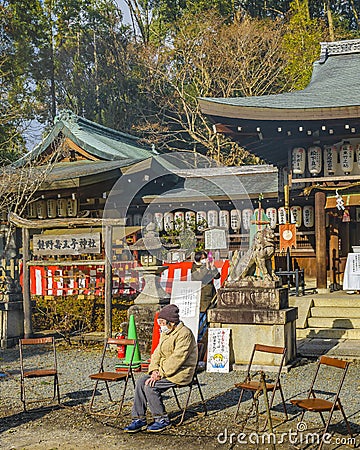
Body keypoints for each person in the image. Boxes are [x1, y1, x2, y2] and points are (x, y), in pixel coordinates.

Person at [124, 304, 197, 433]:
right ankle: (139, 418)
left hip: (181, 372)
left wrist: (160, 373)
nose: (161, 325)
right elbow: (157, 353)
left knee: (151, 386)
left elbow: (177, 358)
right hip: (165, 370)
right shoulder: (166, 332)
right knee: (141, 382)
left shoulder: (185, 334)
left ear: (172, 322)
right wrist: (154, 370)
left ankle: (162, 419)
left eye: (163, 322)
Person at [191, 251, 220, 341]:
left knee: (209, 318)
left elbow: (217, 276)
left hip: (211, 295)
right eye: (202, 258)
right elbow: (199, 277)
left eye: (205, 258)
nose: (204, 260)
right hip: (202, 297)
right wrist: (206, 267)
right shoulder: (195, 267)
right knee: (201, 319)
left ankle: (207, 337)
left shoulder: (207, 267)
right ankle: (200, 338)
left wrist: (213, 267)